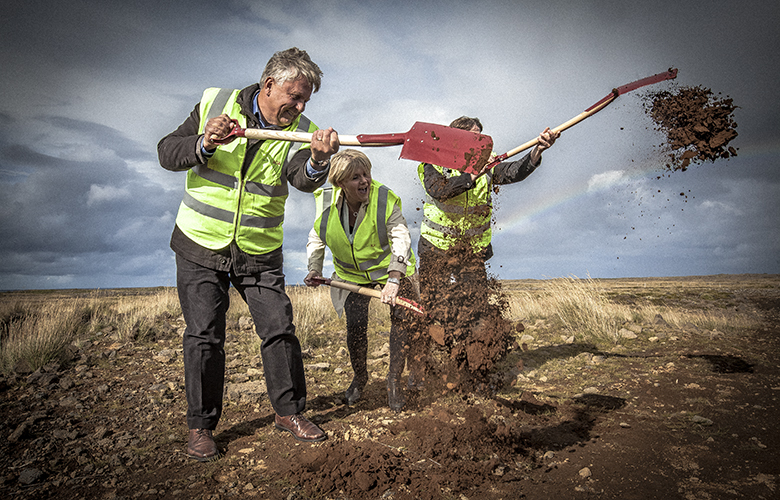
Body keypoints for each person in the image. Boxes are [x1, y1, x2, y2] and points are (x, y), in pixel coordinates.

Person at [157, 47, 339, 461]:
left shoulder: (303, 130)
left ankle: (289, 412)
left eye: (306, 99)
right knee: (204, 335)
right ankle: (201, 427)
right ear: (269, 84)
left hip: (259, 250)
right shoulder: (213, 103)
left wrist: (317, 161)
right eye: (294, 96)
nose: (300, 106)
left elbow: (301, 179)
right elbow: (168, 151)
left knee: (279, 328)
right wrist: (204, 142)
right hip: (200, 242)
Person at [413, 116, 560, 384]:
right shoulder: (431, 163)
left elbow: (513, 172)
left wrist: (537, 150)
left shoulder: (487, 162)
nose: (481, 142)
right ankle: (430, 370)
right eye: (474, 137)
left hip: (472, 252)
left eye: (482, 136)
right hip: (436, 249)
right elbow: (440, 191)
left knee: (476, 310)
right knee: (435, 312)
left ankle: (475, 371)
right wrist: (470, 176)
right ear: (454, 140)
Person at [303, 149, 417, 412]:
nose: (364, 181)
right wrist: (313, 269)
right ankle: (360, 377)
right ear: (340, 182)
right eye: (356, 177)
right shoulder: (325, 202)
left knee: (402, 323)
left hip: (389, 271)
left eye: (366, 174)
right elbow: (317, 238)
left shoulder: (385, 199)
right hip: (351, 277)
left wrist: (394, 279)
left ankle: (394, 381)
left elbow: (401, 238)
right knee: (355, 328)